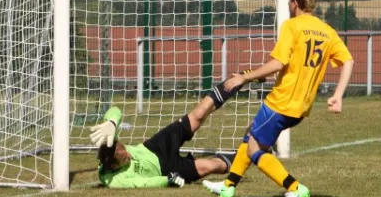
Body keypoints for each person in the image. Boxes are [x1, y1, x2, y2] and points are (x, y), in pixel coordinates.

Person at [202, 0, 355, 197]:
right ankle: (228, 185)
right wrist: (338, 95)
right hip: (301, 107)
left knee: (255, 149)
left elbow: (278, 62)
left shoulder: (292, 26)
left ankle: (293, 188)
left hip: (281, 102)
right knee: (250, 133)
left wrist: (246, 77)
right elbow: (348, 60)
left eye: (288, 1)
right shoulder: (327, 31)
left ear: (294, 3)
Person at [91, 72, 259, 188]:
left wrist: (112, 122)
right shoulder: (114, 180)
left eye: (125, 149)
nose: (128, 153)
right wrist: (167, 180)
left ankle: (238, 79)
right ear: (114, 166)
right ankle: (253, 150)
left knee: (198, 114)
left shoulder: (110, 144)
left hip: (154, 147)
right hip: (167, 169)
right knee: (211, 166)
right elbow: (143, 184)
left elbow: (115, 110)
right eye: (125, 157)